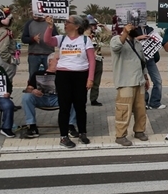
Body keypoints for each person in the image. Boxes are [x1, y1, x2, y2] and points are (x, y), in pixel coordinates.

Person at [41, 14, 95, 147]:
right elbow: (47, 40)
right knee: (64, 107)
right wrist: (49, 26)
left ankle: (82, 132)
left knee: (80, 107)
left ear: (76, 26)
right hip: (63, 76)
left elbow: (92, 60)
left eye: (67, 22)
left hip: (80, 75)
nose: (65, 24)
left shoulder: (85, 40)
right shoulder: (62, 39)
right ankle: (64, 137)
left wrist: (90, 78)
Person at [110, 20, 150, 146]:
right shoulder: (116, 39)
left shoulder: (137, 43)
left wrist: (146, 77)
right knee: (123, 110)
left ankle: (139, 131)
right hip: (125, 82)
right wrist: (124, 33)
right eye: (132, 26)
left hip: (139, 80)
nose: (135, 27)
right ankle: (120, 135)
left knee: (140, 109)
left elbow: (142, 62)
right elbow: (116, 47)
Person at [20, 54, 77, 138]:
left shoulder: (64, 75)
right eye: (58, 59)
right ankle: (32, 126)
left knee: (75, 98)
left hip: (58, 98)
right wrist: (33, 91)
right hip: (41, 98)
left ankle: (70, 126)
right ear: (50, 61)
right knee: (26, 97)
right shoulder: (37, 73)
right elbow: (28, 89)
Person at [135, 23, 165, 109]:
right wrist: (138, 38)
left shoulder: (150, 29)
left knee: (158, 80)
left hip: (150, 58)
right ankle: (144, 102)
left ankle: (155, 102)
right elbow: (127, 41)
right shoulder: (133, 30)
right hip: (139, 59)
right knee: (142, 81)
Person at [85, 16, 110, 106]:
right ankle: (82, 98)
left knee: (96, 81)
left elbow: (109, 34)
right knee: (85, 80)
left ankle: (94, 99)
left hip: (98, 60)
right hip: (87, 61)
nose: (95, 27)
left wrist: (103, 27)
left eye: (95, 25)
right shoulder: (82, 37)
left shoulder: (97, 36)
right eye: (93, 25)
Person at [0, 4, 19, 83]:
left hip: (2, 60)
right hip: (5, 61)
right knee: (6, 81)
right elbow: (2, 49)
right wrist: (10, 60)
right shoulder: (5, 32)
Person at [21, 12, 54, 76]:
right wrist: (33, 39)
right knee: (32, 76)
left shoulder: (49, 23)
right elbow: (24, 39)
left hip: (48, 54)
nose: (34, 14)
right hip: (34, 55)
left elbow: (56, 36)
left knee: (51, 75)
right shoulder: (29, 23)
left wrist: (48, 39)